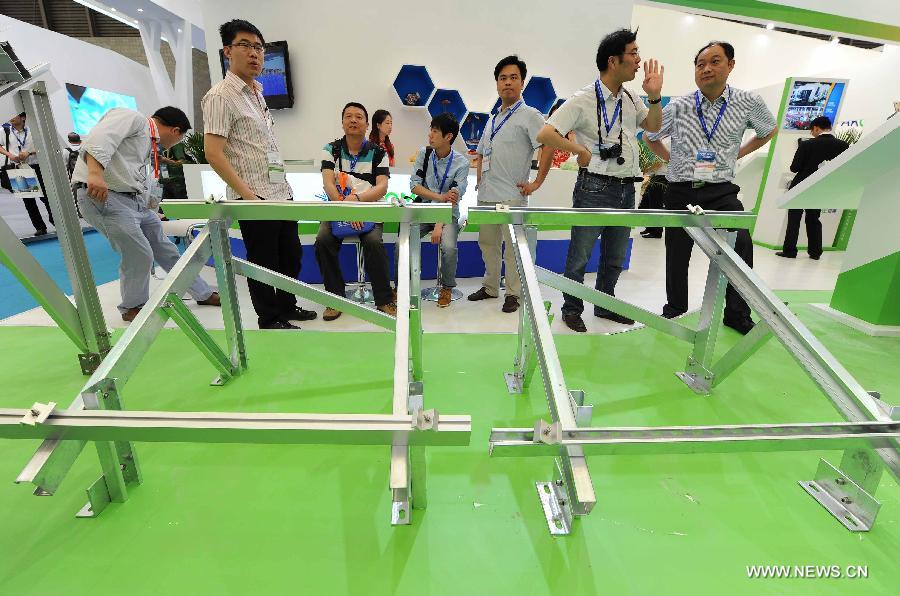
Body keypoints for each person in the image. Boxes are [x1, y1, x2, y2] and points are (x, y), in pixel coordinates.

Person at [645, 41, 777, 335]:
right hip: (681, 190)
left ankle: (736, 313)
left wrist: (738, 154)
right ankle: (675, 309)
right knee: (677, 253)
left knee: (740, 245)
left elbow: (769, 129)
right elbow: (650, 136)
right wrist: (673, 160)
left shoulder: (748, 102)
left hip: (721, 190)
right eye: (700, 64)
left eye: (714, 61)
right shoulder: (680, 105)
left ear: (730, 65)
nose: (706, 69)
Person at [538, 29, 664, 332]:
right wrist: (578, 148)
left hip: (626, 188)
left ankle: (605, 305)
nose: (638, 60)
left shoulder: (632, 96)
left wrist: (655, 97)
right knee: (580, 255)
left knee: (615, 255)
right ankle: (571, 308)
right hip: (594, 186)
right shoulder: (583, 99)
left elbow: (654, 126)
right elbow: (545, 133)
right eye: (633, 53)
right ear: (613, 60)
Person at [203, 19, 317, 330]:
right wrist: (249, 196)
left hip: (280, 191)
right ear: (228, 51)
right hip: (254, 195)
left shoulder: (257, 91)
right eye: (245, 45)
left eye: (258, 47)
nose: (254, 53)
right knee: (264, 261)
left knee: (290, 256)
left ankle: (287, 306)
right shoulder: (220, 96)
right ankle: (269, 318)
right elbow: (213, 153)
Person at [72, 106, 221, 322]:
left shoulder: (147, 143)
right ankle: (132, 306)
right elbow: (99, 140)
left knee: (166, 249)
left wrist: (150, 207)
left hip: (134, 201)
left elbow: (134, 175)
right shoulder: (132, 118)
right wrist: (95, 174)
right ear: (176, 131)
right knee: (138, 252)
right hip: (105, 196)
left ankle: (203, 293)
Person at [469, 55, 553, 314]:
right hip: (487, 194)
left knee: (513, 248)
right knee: (488, 243)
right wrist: (480, 178)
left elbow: (548, 144)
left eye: (513, 78)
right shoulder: (493, 119)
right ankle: (491, 285)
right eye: (502, 78)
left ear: (522, 83)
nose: (507, 83)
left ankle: (514, 293)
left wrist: (536, 182)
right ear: (496, 84)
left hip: (512, 196)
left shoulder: (530, 115)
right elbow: (482, 151)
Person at [315, 102, 395, 321]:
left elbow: (382, 187)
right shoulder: (330, 149)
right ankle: (334, 298)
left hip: (368, 209)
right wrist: (346, 209)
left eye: (359, 117)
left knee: (373, 243)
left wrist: (357, 201)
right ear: (342, 123)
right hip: (339, 209)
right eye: (348, 116)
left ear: (367, 124)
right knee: (323, 240)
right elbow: (328, 183)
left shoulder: (378, 152)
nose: (353, 120)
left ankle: (384, 299)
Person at [408, 113, 469, 307]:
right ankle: (400, 287)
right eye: (431, 130)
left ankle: (447, 288)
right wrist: (439, 197)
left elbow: (453, 198)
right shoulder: (424, 154)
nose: (430, 135)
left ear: (448, 136)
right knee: (404, 241)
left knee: (449, 247)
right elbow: (414, 186)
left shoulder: (462, 163)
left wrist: (439, 224)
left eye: (435, 131)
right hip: (424, 210)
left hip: (448, 214)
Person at [777, 115, 849, 260]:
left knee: (794, 218)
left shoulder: (807, 144)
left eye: (812, 131)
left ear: (816, 128)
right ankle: (815, 252)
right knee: (814, 218)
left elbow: (794, 168)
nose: (812, 134)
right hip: (821, 187)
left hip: (801, 185)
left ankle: (790, 251)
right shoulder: (843, 146)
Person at [0, 112, 54, 236]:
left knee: (46, 197)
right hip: (19, 168)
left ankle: (54, 220)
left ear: (23, 117)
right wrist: (10, 155)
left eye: (14, 115)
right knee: (28, 200)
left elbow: (44, 146)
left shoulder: (33, 130)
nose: (11, 118)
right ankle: (40, 227)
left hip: (37, 166)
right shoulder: (4, 130)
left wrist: (29, 152)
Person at [637, 137, 670, 238]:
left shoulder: (671, 139)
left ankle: (656, 231)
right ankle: (649, 227)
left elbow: (666, 157)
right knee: (646, 204)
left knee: (656, 205)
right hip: (655, 175)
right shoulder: (661, 138)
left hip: (664, 176)